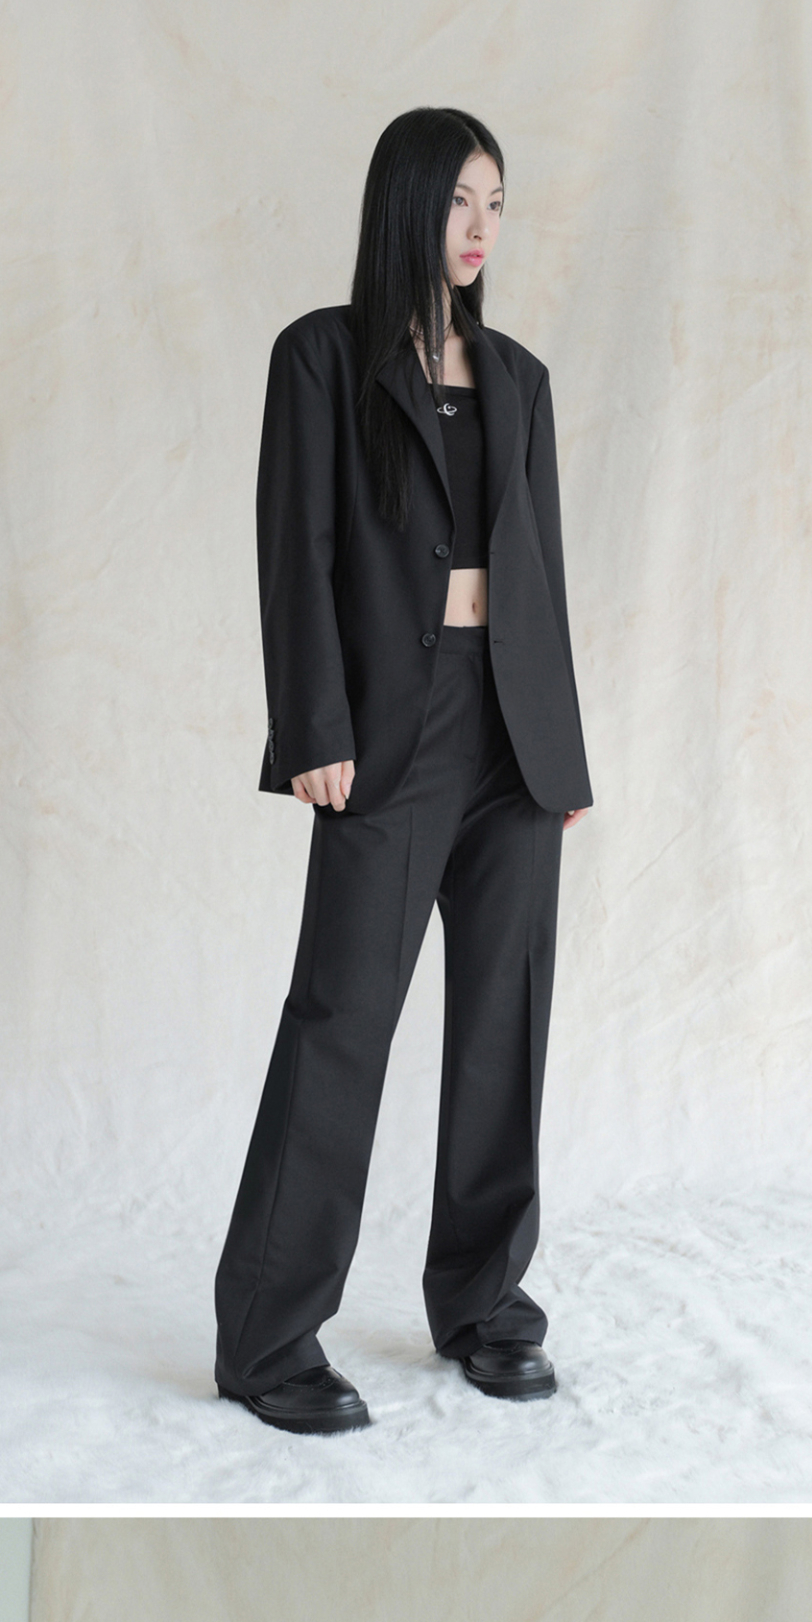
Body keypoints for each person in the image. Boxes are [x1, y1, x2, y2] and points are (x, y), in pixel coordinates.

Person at [214, 106, 591, 1436]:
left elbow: (540, 575)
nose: (481, 229)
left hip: (512, 737)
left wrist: (561, 753)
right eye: (460, 201)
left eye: (497, 205)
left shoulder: (521, 380)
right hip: (385, 732)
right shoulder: (322, 358)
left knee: (502, 1025)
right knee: (342, 1021)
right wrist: (312, 726)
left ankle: (483, 1305)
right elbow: (296, 551)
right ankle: (269, 1338)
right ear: (408, 204)